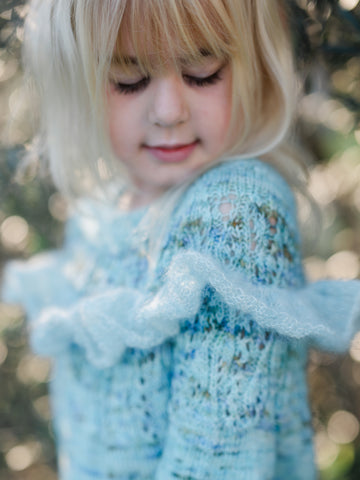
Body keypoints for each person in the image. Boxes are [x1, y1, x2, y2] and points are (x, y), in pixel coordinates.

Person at [1, 0, 360, 479]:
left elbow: (219, 458)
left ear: (254, 63)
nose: (169, 112)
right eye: (128, 80)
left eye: (202, 71)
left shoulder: (235, 212)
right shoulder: (100, 209)